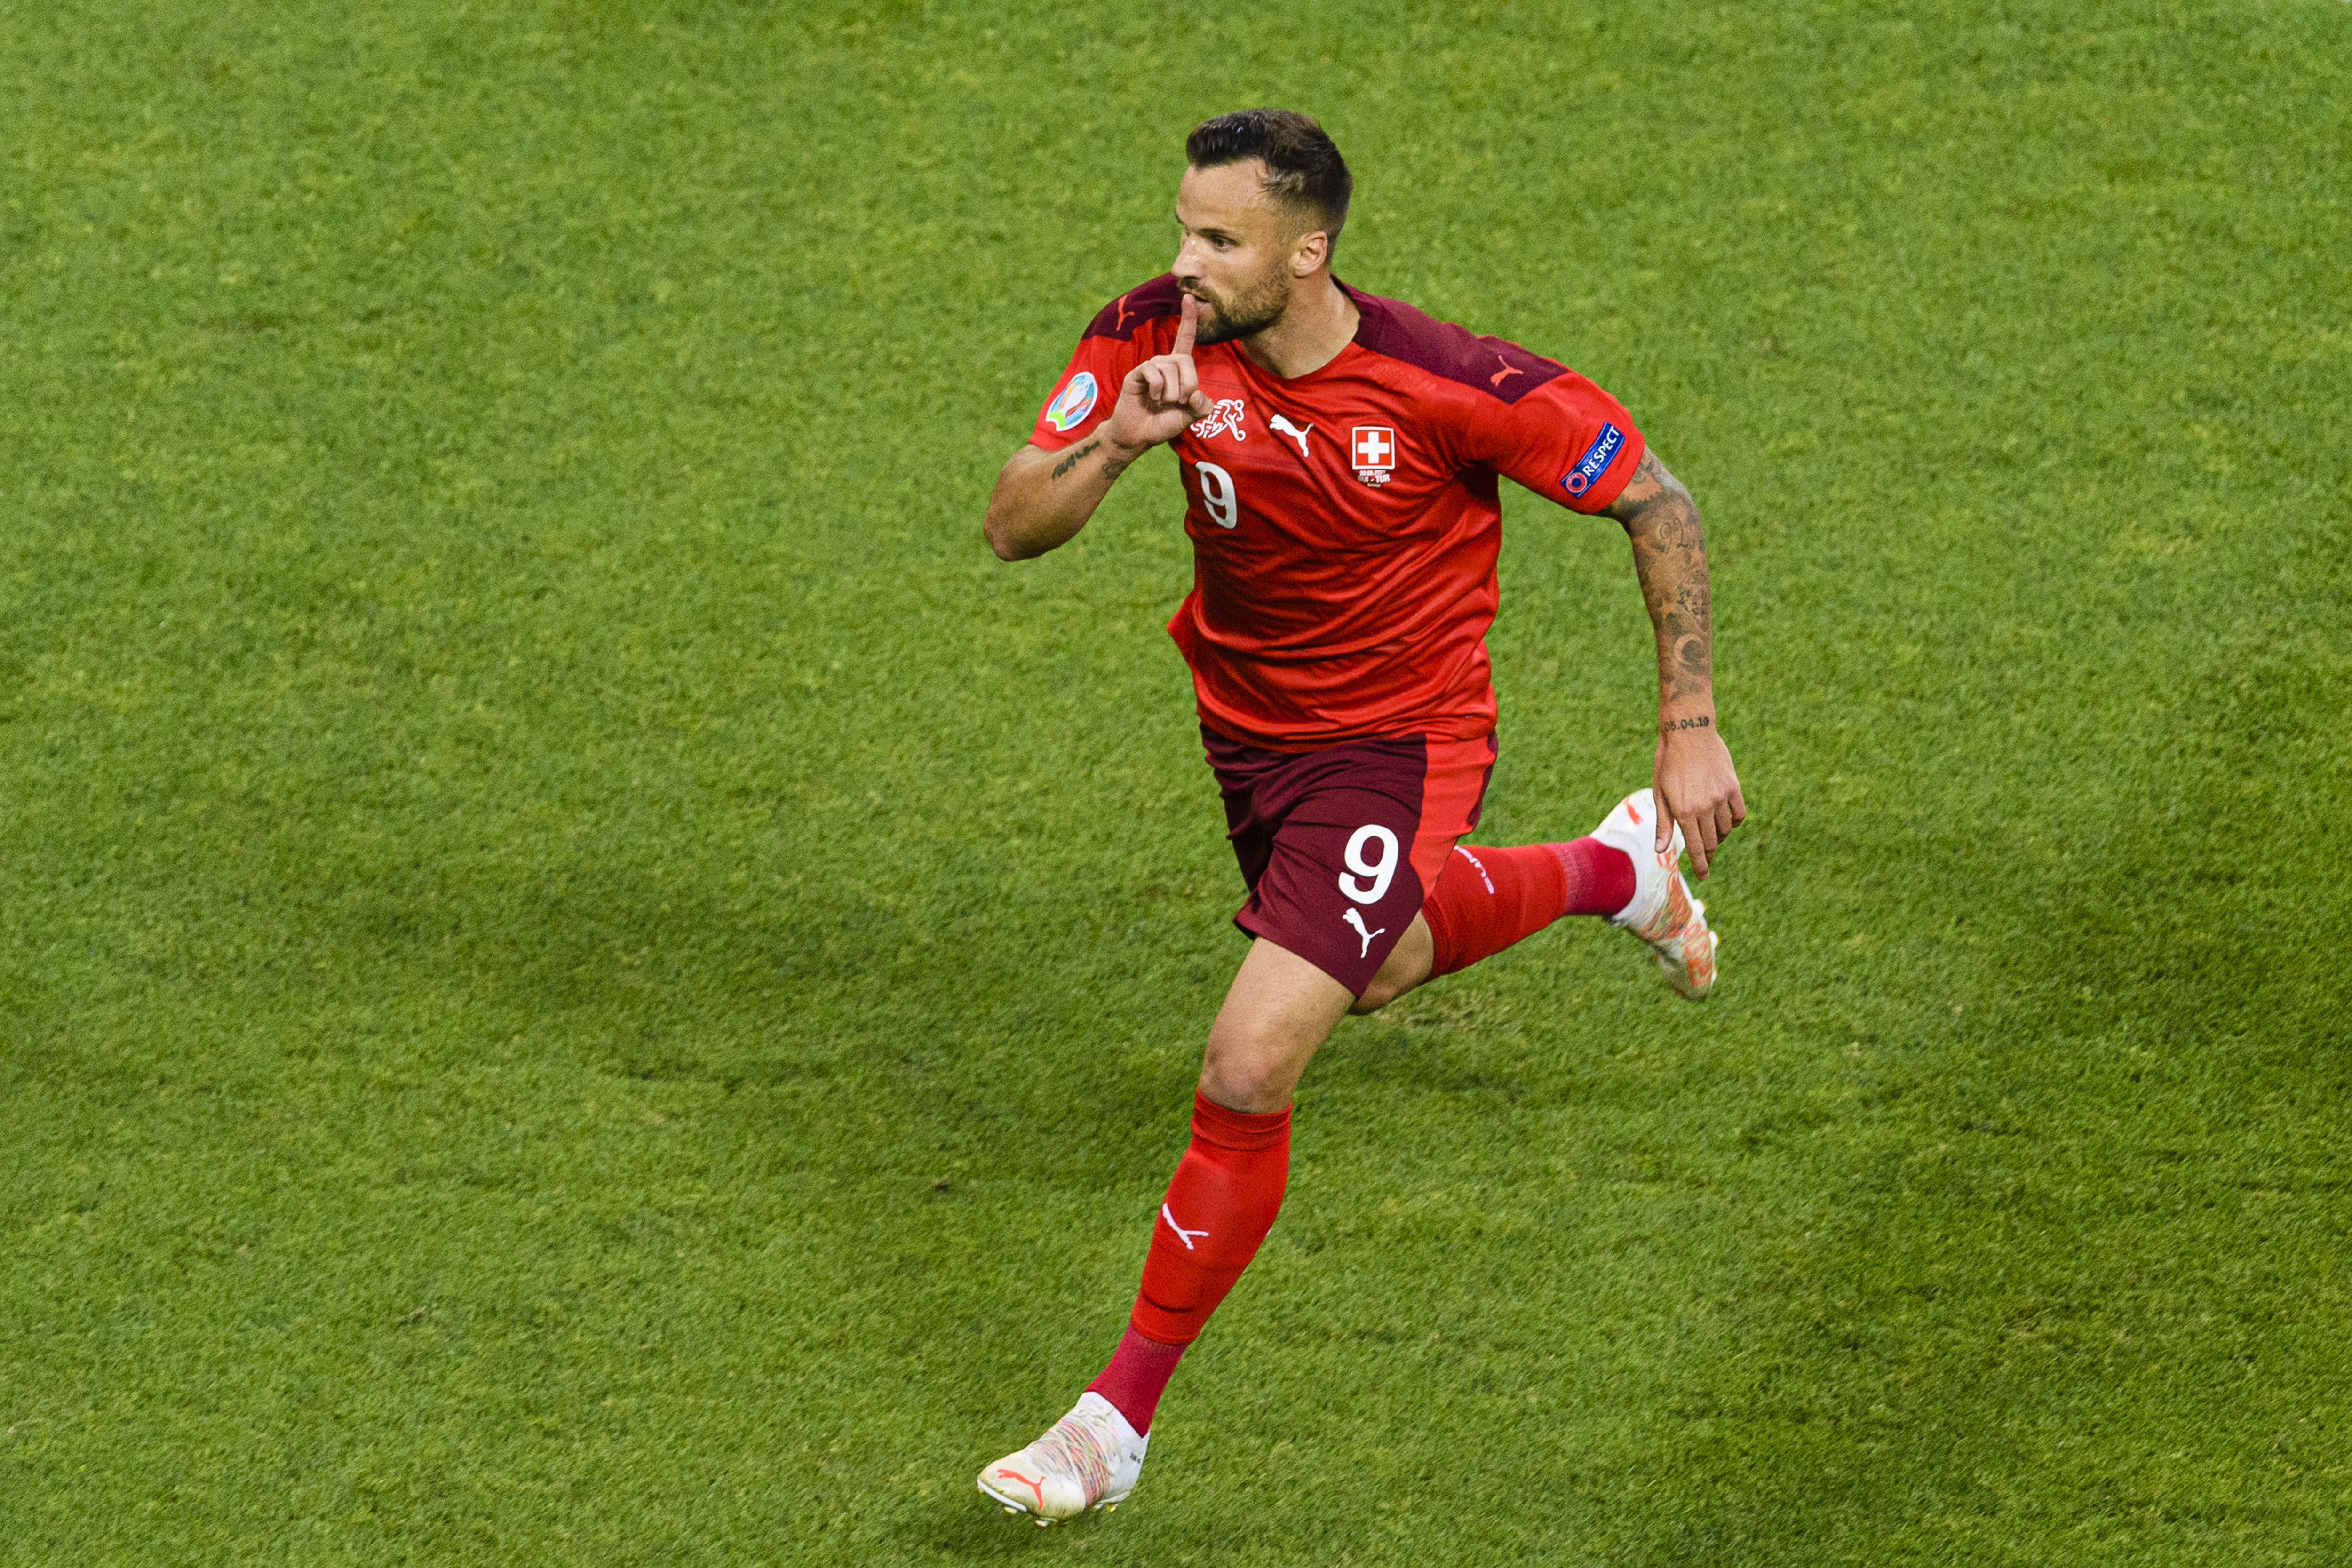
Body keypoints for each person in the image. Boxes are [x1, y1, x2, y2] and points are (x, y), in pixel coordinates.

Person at [974, 108, 1746, 1525]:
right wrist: (1124, 443)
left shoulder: (1446, 382)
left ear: (1307, 251)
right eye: (1183, 229)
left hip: (1398, 744)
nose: (1184, 263)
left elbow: (1657, 501)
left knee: (1250, 1060)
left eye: (1221, 240)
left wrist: (1687, 725)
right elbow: (1013, 524)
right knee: (1378, 970)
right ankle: (1614, 868)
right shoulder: (1150, 335)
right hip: (1246, 729)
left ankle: (1111, 1425)